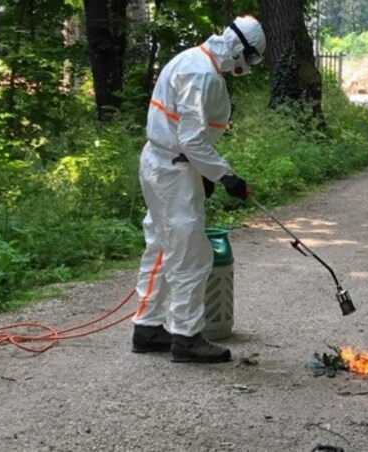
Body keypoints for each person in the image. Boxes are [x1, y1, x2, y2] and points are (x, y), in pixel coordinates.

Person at [130, 16, 266, 363]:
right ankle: (187, 338)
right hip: (173, 170)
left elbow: (184, 131)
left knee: (161, 245)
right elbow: (191, 138)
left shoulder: (191, 59)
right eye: (249, 58)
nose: (246, 67)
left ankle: (147, 328)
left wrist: (204, 173)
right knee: (192, 254)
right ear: (238, 48)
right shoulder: (201, 73)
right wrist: (225, 176)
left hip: (165, 162)